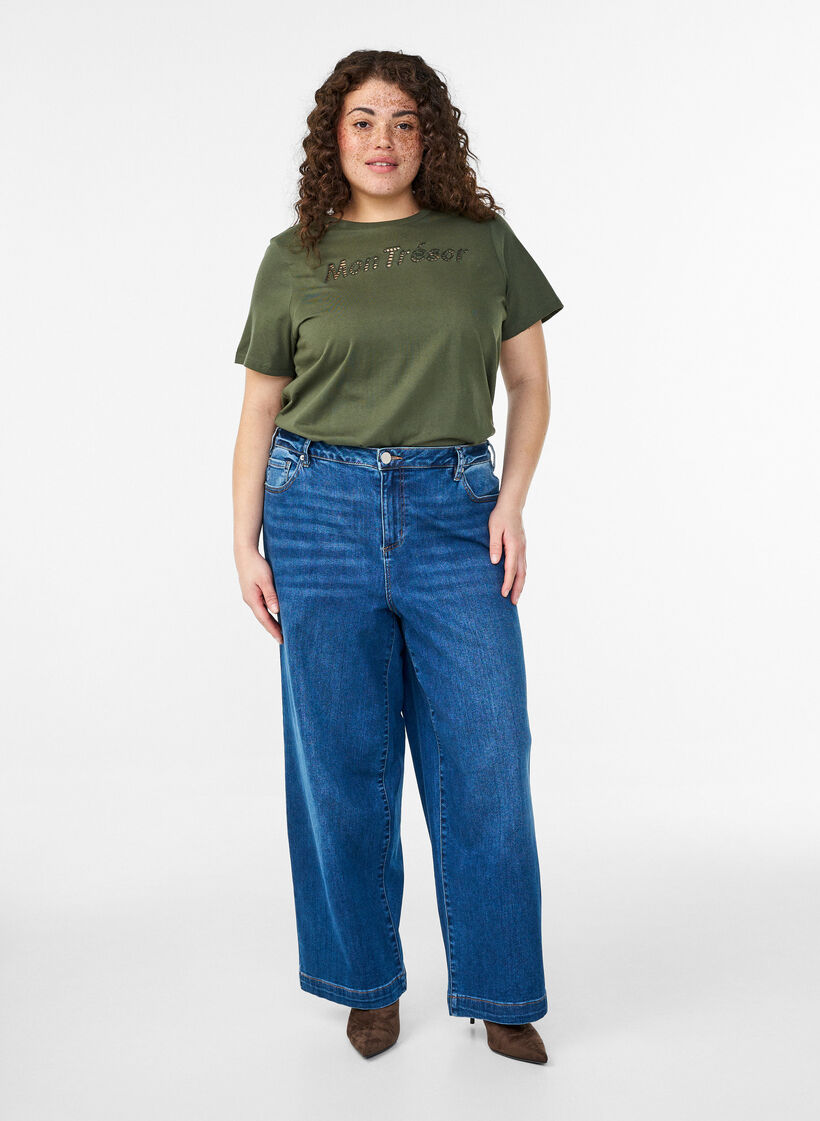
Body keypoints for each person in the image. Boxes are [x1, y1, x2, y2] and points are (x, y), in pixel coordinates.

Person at [231, 50, 563, 1066]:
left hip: (456, 511)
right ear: (334, 135)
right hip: (314, 513)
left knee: (488, 758)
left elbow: (531, 388)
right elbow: (259, 408)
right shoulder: (297, 253)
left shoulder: (481, 243)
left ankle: (502, 989)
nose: (384, 141)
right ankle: (364, 982)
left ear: (433, 138)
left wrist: (511, 500)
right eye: (364, 120)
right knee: (339, 760)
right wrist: (240, 537)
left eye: (406, 122)